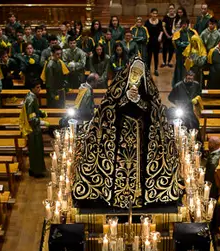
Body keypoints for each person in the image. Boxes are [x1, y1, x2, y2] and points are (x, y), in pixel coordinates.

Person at [72, 57, 182, 208]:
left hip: (141, 136)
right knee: (120, 165)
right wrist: (125, 99)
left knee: (139, 167)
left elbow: (154, 111)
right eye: (134, 72)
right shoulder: (118, 88)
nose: (136, 77)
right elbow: (109, 108)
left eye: (139, 74)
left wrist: (138, 101)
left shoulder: (147, 90)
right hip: (120, 134)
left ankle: (139, 195)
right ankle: (118, 196)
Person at [20, 80, 47, 178]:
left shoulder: (30, 96)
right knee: (36, 150)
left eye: (40, 87)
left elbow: (34, 111)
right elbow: (31, 118)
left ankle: (33, 169)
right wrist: (41, 121)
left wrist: (41, 113)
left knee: (33, 150)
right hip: (33, 130)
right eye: (37, 87)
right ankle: (37, 171)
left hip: (32, 129)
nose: (40, 89)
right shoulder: (31, 99)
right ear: (32, 88)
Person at [171, 20, 197, 86]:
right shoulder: (178, 33)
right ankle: (179, 84)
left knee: (190, 69)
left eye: (185, 24)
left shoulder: (193, 32)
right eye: (182, 24)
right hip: (181, 54)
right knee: (180, 69)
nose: (183, 25)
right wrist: (187, 44)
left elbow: (196, 42)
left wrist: (186, 44)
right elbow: (177, 43)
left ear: (187, 24)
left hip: (190, 54)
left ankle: (190, 83)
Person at [145, 8, 163, 75]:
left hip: (156, 41)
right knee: (149, 56)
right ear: (151, 14)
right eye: (153, 13)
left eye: (156, 13)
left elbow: (161, 30)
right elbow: (145, 31)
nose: (155, 15)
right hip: (149, 41)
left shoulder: (159, 21)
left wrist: (160, 36)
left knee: (156, 56)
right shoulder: (147, 22)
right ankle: (148, 70)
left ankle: (156, 69)